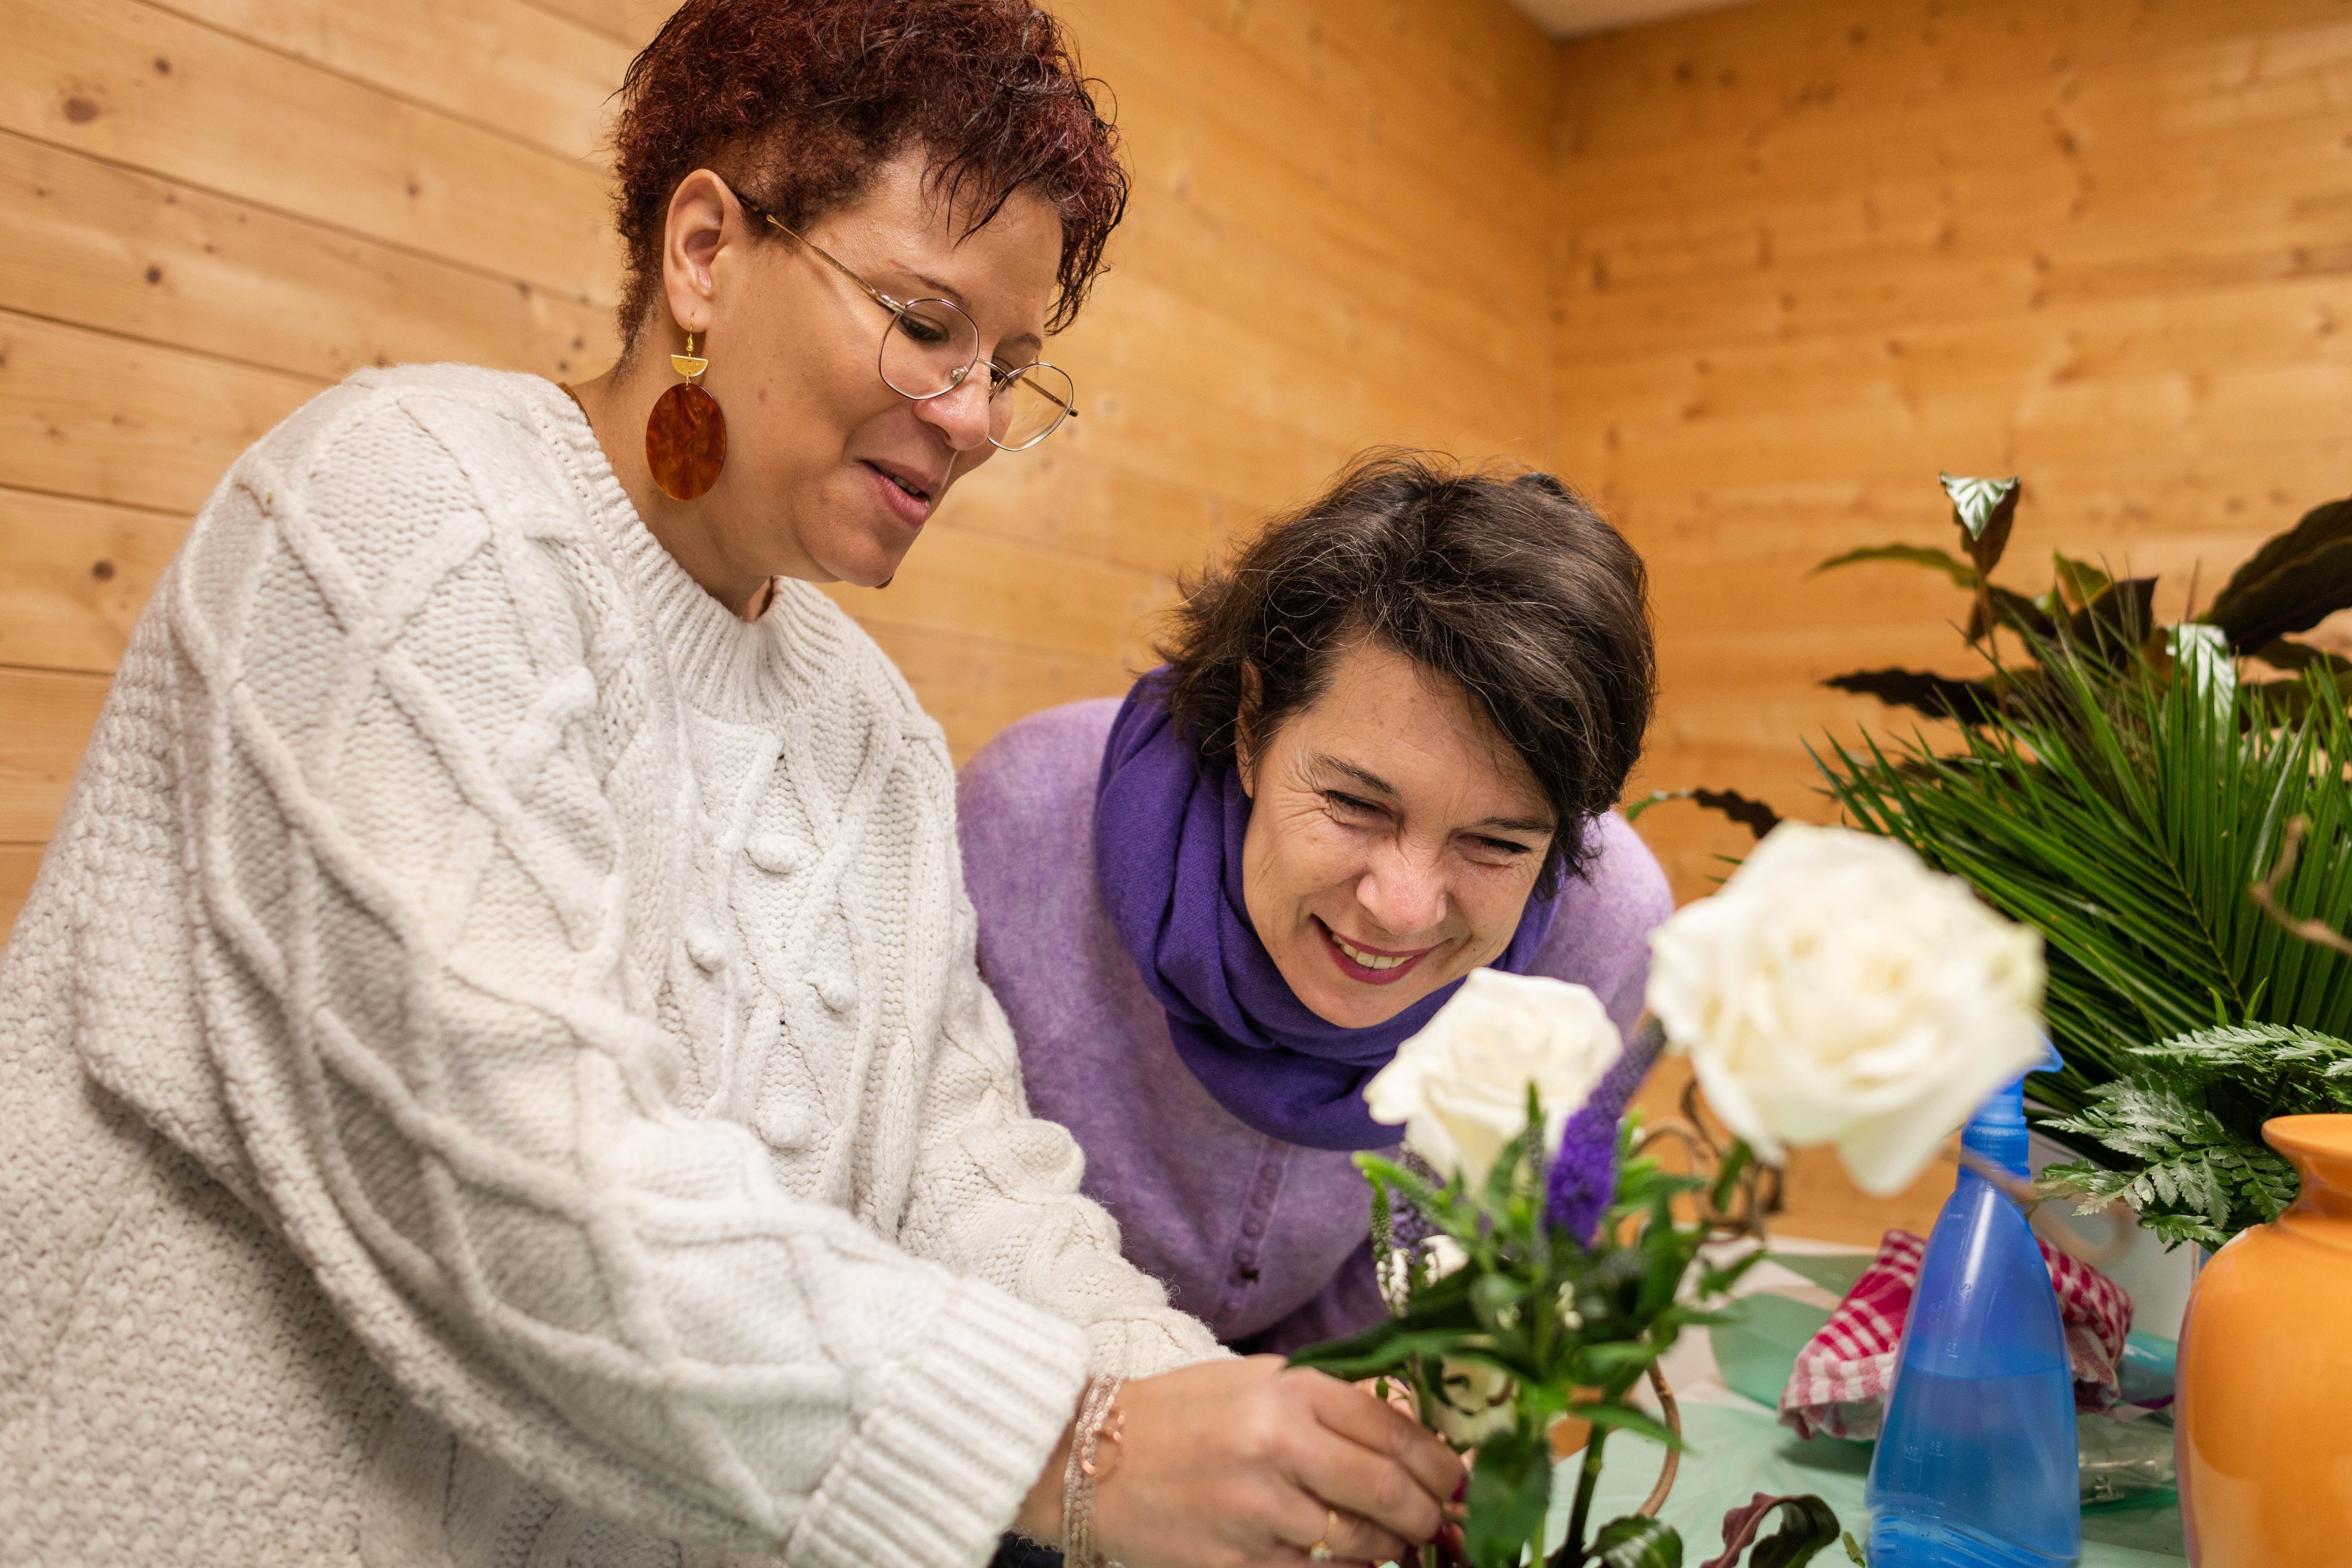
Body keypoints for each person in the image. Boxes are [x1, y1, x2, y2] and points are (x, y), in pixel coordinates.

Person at [0, 5, 1463, 1566]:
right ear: (704, 247)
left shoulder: (873, 734)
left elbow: (968, 1188)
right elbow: (523, 1187)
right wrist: (1077, 1444)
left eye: (1009, 367)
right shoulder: (408, 516)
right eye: (921, 321)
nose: (971, 415)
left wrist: (1262, 1453)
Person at [960, 455, 1673, 1352]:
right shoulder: (1026, 819)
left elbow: (1460, 1264)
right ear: (1253, 725)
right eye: (1355, 804)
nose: (1403, 908)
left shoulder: (1600, 925)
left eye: (1495, 842)